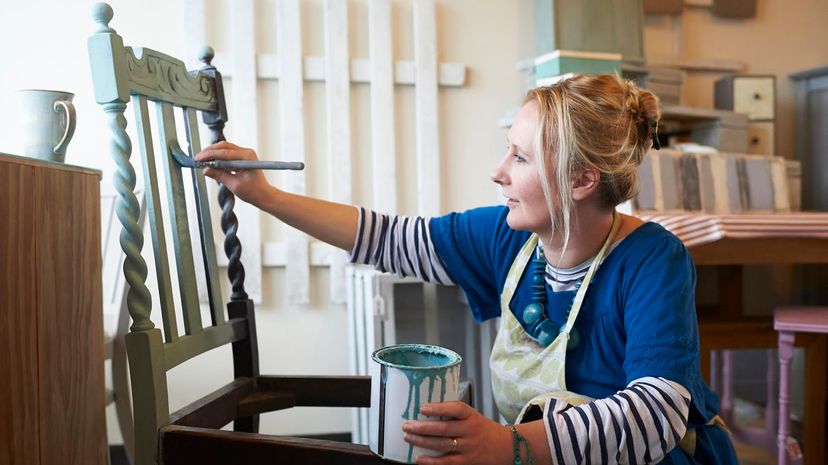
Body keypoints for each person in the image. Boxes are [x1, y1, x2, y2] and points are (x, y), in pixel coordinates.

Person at [196, 74, 738, 465]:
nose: (498, 173)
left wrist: (509, 446)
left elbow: (654, 417)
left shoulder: (653, 260)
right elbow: (387, 238)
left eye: (520, 158)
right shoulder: (508, 236)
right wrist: (265, 196)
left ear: (580, 181)